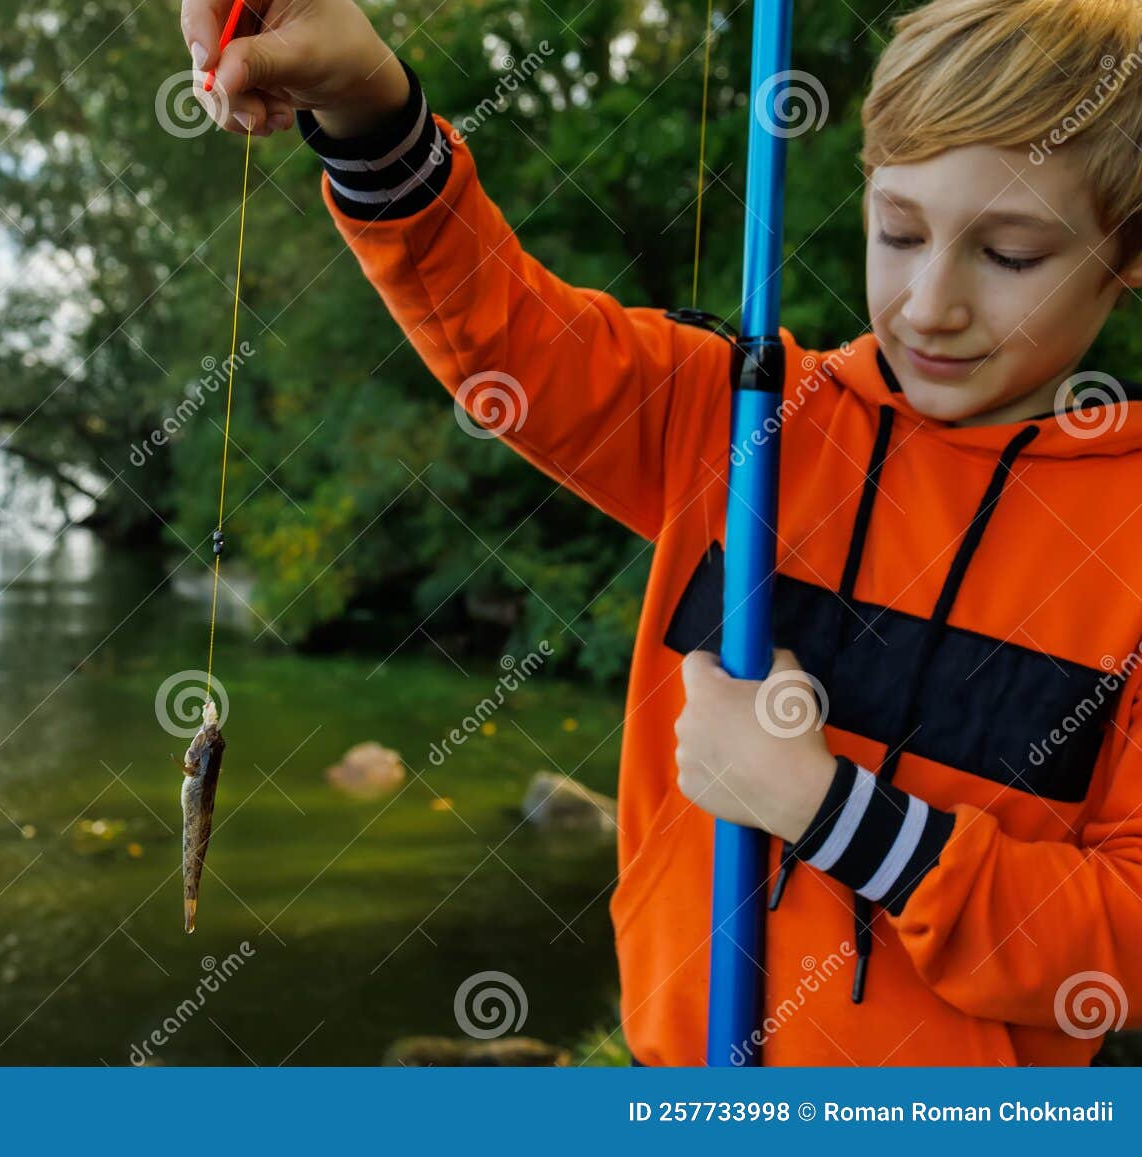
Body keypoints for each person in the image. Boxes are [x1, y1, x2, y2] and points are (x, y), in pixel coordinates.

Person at [177, 0, 1142, 1065]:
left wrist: (830, 811)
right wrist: (365, 105)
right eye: (899, 230)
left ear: (1128, 247)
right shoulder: (739, 418)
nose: (926, 304)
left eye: (1008, 253)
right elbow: (505, 330)